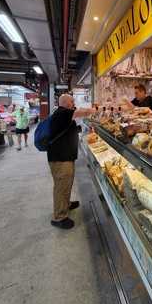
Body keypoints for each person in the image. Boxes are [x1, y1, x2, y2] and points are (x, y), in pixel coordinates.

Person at [47, 94, 95, 230]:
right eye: (72, 101)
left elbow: (69, 129)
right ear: (65, 103)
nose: (73, 103)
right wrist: (93, 110)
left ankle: (66, 204)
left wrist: (83, 129)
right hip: (60, 158)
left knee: (66, 184)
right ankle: (59, 217)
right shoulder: (62, 113)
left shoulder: (63, 115)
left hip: (65, 157)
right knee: (61, 186)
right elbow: (81, 112)